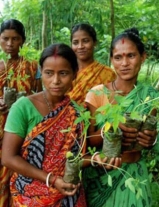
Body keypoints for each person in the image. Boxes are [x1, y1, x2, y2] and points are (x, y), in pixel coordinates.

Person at [1, 43, 89, 206]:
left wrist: (97, 158)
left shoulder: (77, 112)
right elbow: (8, 158)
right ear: (41, 72)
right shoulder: (23, 107)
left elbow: (76, 157)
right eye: (49, 73)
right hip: (29, 196)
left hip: (69, 194)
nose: (56, 81)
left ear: (75, 74)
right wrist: (51, 179)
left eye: (63, 73)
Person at [82, 28, 159, 207]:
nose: (124, 63)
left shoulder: (150, 96)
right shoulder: (97, 94)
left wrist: (151, 140)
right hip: (103, 174)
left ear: (143, 57)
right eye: (118, 57)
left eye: (131, 56)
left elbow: (147, 140)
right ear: (111, 60)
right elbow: (89, 140)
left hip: (134, 175)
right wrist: (108, 128)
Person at [0, 18, 42, 207]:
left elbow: (41, 94)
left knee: (22, 173)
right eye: (5, 39)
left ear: (22, 41)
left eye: (15, 39)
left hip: (25, 130)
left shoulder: (33, 67)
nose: (10, 44)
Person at [68, 23, 116, 104]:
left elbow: (112, 105)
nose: (80, 46)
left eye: (85, 41)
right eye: (75, 42)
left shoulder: (107, 74)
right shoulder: (65, 72)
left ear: (94, 43)